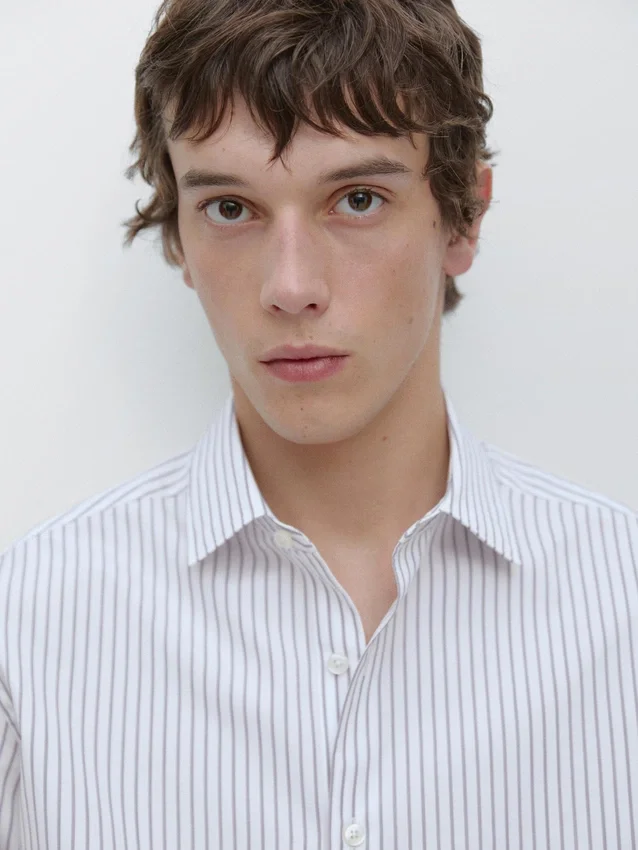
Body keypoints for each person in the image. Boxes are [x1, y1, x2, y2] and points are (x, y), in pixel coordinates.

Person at [1, 0, 636, 846]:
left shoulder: (622, 609)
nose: (291, 287)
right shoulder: (26, 631)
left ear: (464, 217)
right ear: (180, 234)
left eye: (357, 199)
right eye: (232, 208)